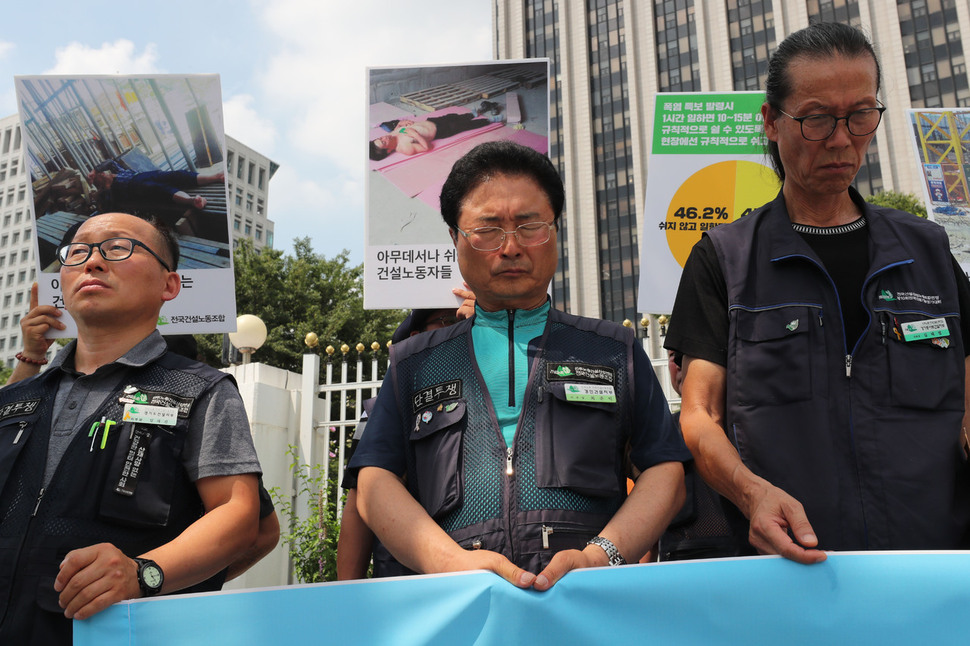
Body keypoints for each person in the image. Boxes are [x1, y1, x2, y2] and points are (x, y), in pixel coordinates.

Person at [665, 22, 970, 565]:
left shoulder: (926, 250)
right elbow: (699, 414)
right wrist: (752, 494)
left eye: (859, 115)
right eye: (817, 118)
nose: (840, 138)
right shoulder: (725, 259)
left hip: (930, 571)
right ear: (771, 121)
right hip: (785, 571)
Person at [350, 140, 689, 591]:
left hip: (586, 602)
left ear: (554, 231)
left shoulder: (613, 350)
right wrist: (450, 563)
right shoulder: (414, 362)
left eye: (530, 226)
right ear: (455, 239)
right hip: (458, 605)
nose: (511, 248)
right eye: (488, 230)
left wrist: (599, 556)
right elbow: (374, 482)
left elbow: (665, 471)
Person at [0, 212, 266, 644]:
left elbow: (237, 516)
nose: (93, 262)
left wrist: (144, 573)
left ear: (169, 286)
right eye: (78, 252)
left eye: (119, 248)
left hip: (111, 634)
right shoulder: (16, 398)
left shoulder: (201, 390)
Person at [336, 291, 475, 581]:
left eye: (469, 315)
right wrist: (347, 601)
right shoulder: (380, 409)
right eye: (448, 319)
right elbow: (359, 504)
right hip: (407, 584)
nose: (462, 322)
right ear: (416, 336)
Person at [88, 160, 224, 211]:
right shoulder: (110, 190)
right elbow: (109, 205)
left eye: (101, 173)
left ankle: (216, 177)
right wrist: (105, 188)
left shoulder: (119, 172)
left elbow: (110, 162)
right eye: (99, 177)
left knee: (177, 175)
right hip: (136, 187)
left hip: (147, 175)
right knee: (161, 190)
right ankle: (192, 201)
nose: (102, 174)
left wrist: (94, 170)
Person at [369, 113, 496, 161]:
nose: (384, 138)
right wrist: (416, 135)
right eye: (383, 142)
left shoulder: (390, 135)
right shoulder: (405, 148)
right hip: (440, 130)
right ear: (389, 150)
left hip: (430, 121)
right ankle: (489, 120)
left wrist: (399, 124)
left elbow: (399, 130)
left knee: (451, 116)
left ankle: (470, 114)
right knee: (463, 125)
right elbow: (426, 147)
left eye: (380, 138)